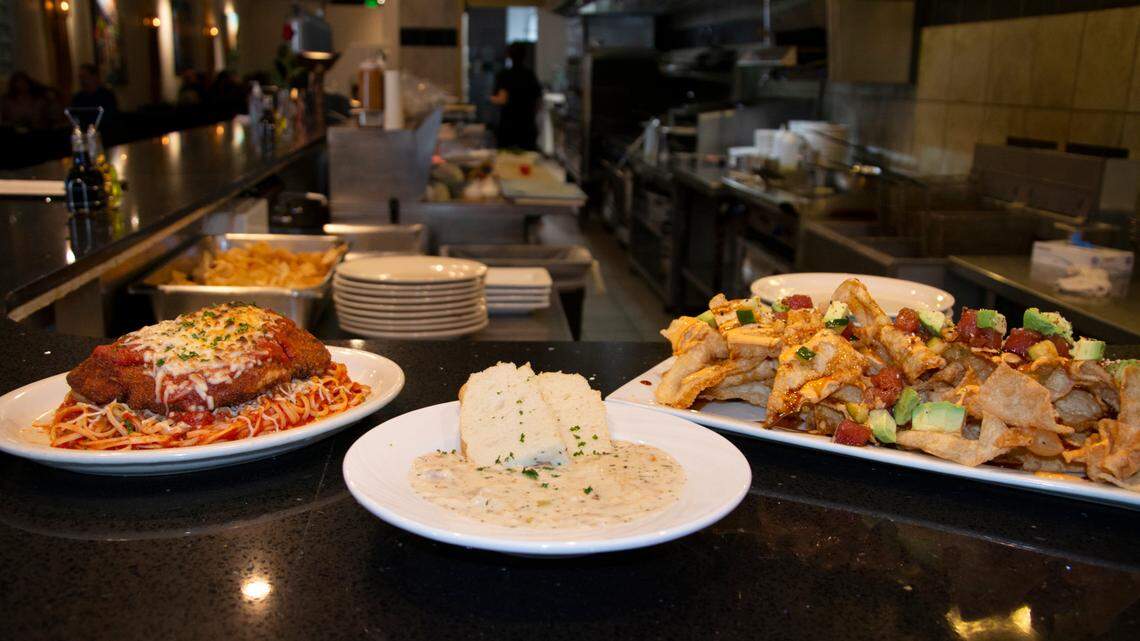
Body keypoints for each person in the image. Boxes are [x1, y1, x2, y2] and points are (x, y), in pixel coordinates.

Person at [491, 42, 541, 151]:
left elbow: (502, 99)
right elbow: (538, 100)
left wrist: (490, 98)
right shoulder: (530, 75)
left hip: (508, 127)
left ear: (508, 55)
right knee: (527, 161)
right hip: (527, 126)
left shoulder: (504, 75)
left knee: (505, 161)